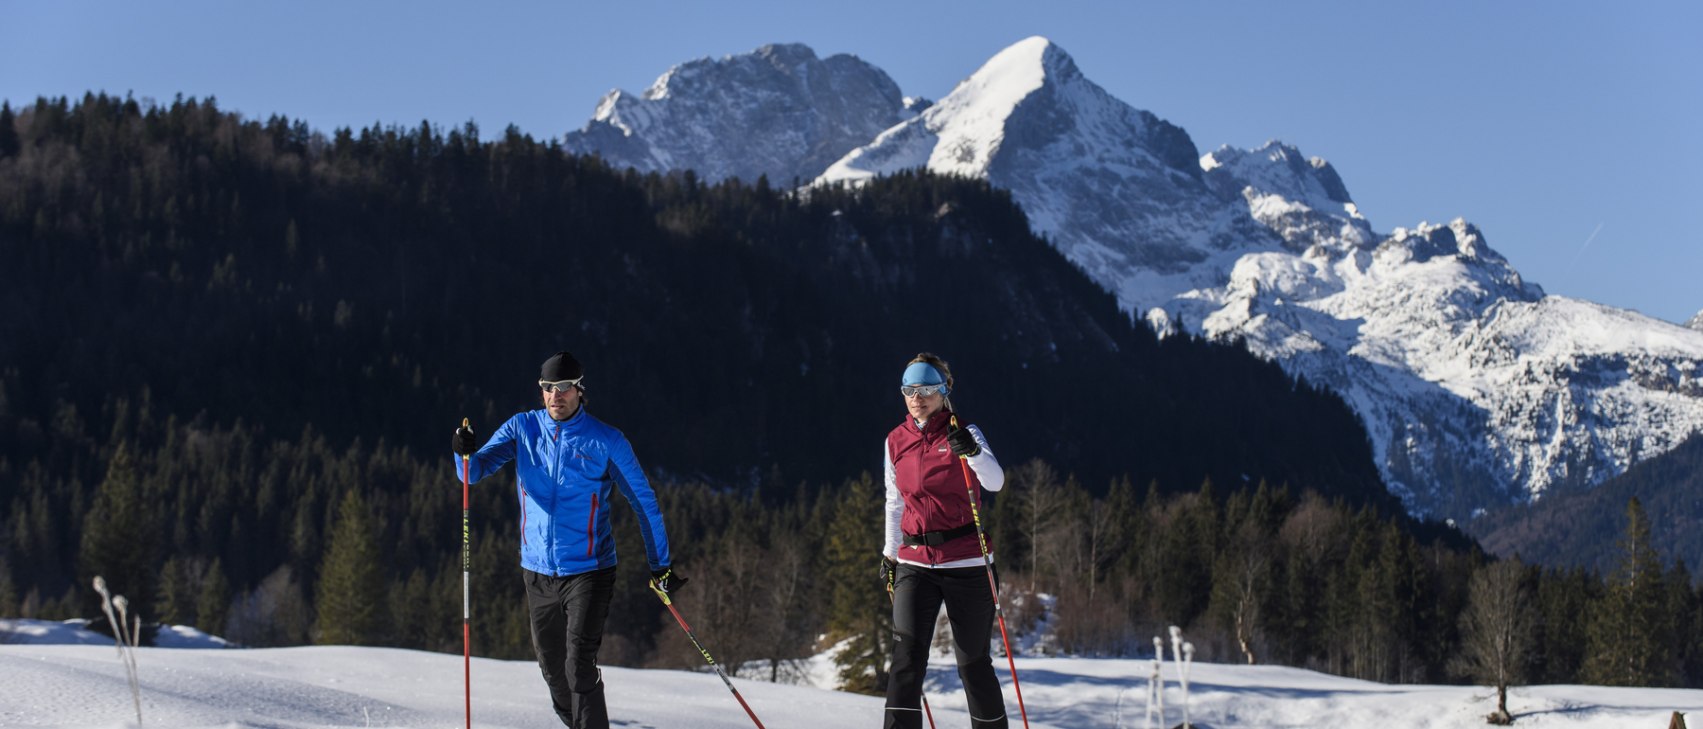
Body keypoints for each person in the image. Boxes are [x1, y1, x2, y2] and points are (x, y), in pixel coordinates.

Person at [452, 351, 683, 729]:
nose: (555, 395)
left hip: (590, 570)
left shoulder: (606, 441)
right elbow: (473, 473)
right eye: (548, 388)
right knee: (553, 671)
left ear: (579, 390)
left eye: (563, 388)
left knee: (578, 664)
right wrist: (462, 452)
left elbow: (644, 502)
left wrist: (662, 566)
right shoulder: (522, 429)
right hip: (537, 572)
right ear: (540, 391)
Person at [880, 353, 1008, 729]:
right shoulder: (895, 441)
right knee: (905, 660)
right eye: (908, 390)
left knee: (972, 665)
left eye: (926, 389)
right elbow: (894, 502)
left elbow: (995, 481)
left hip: (967, 562)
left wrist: (971, 452)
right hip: (915, 562)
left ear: (944, 390)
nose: (916, 398)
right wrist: (890, 557)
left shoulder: (966, 431)